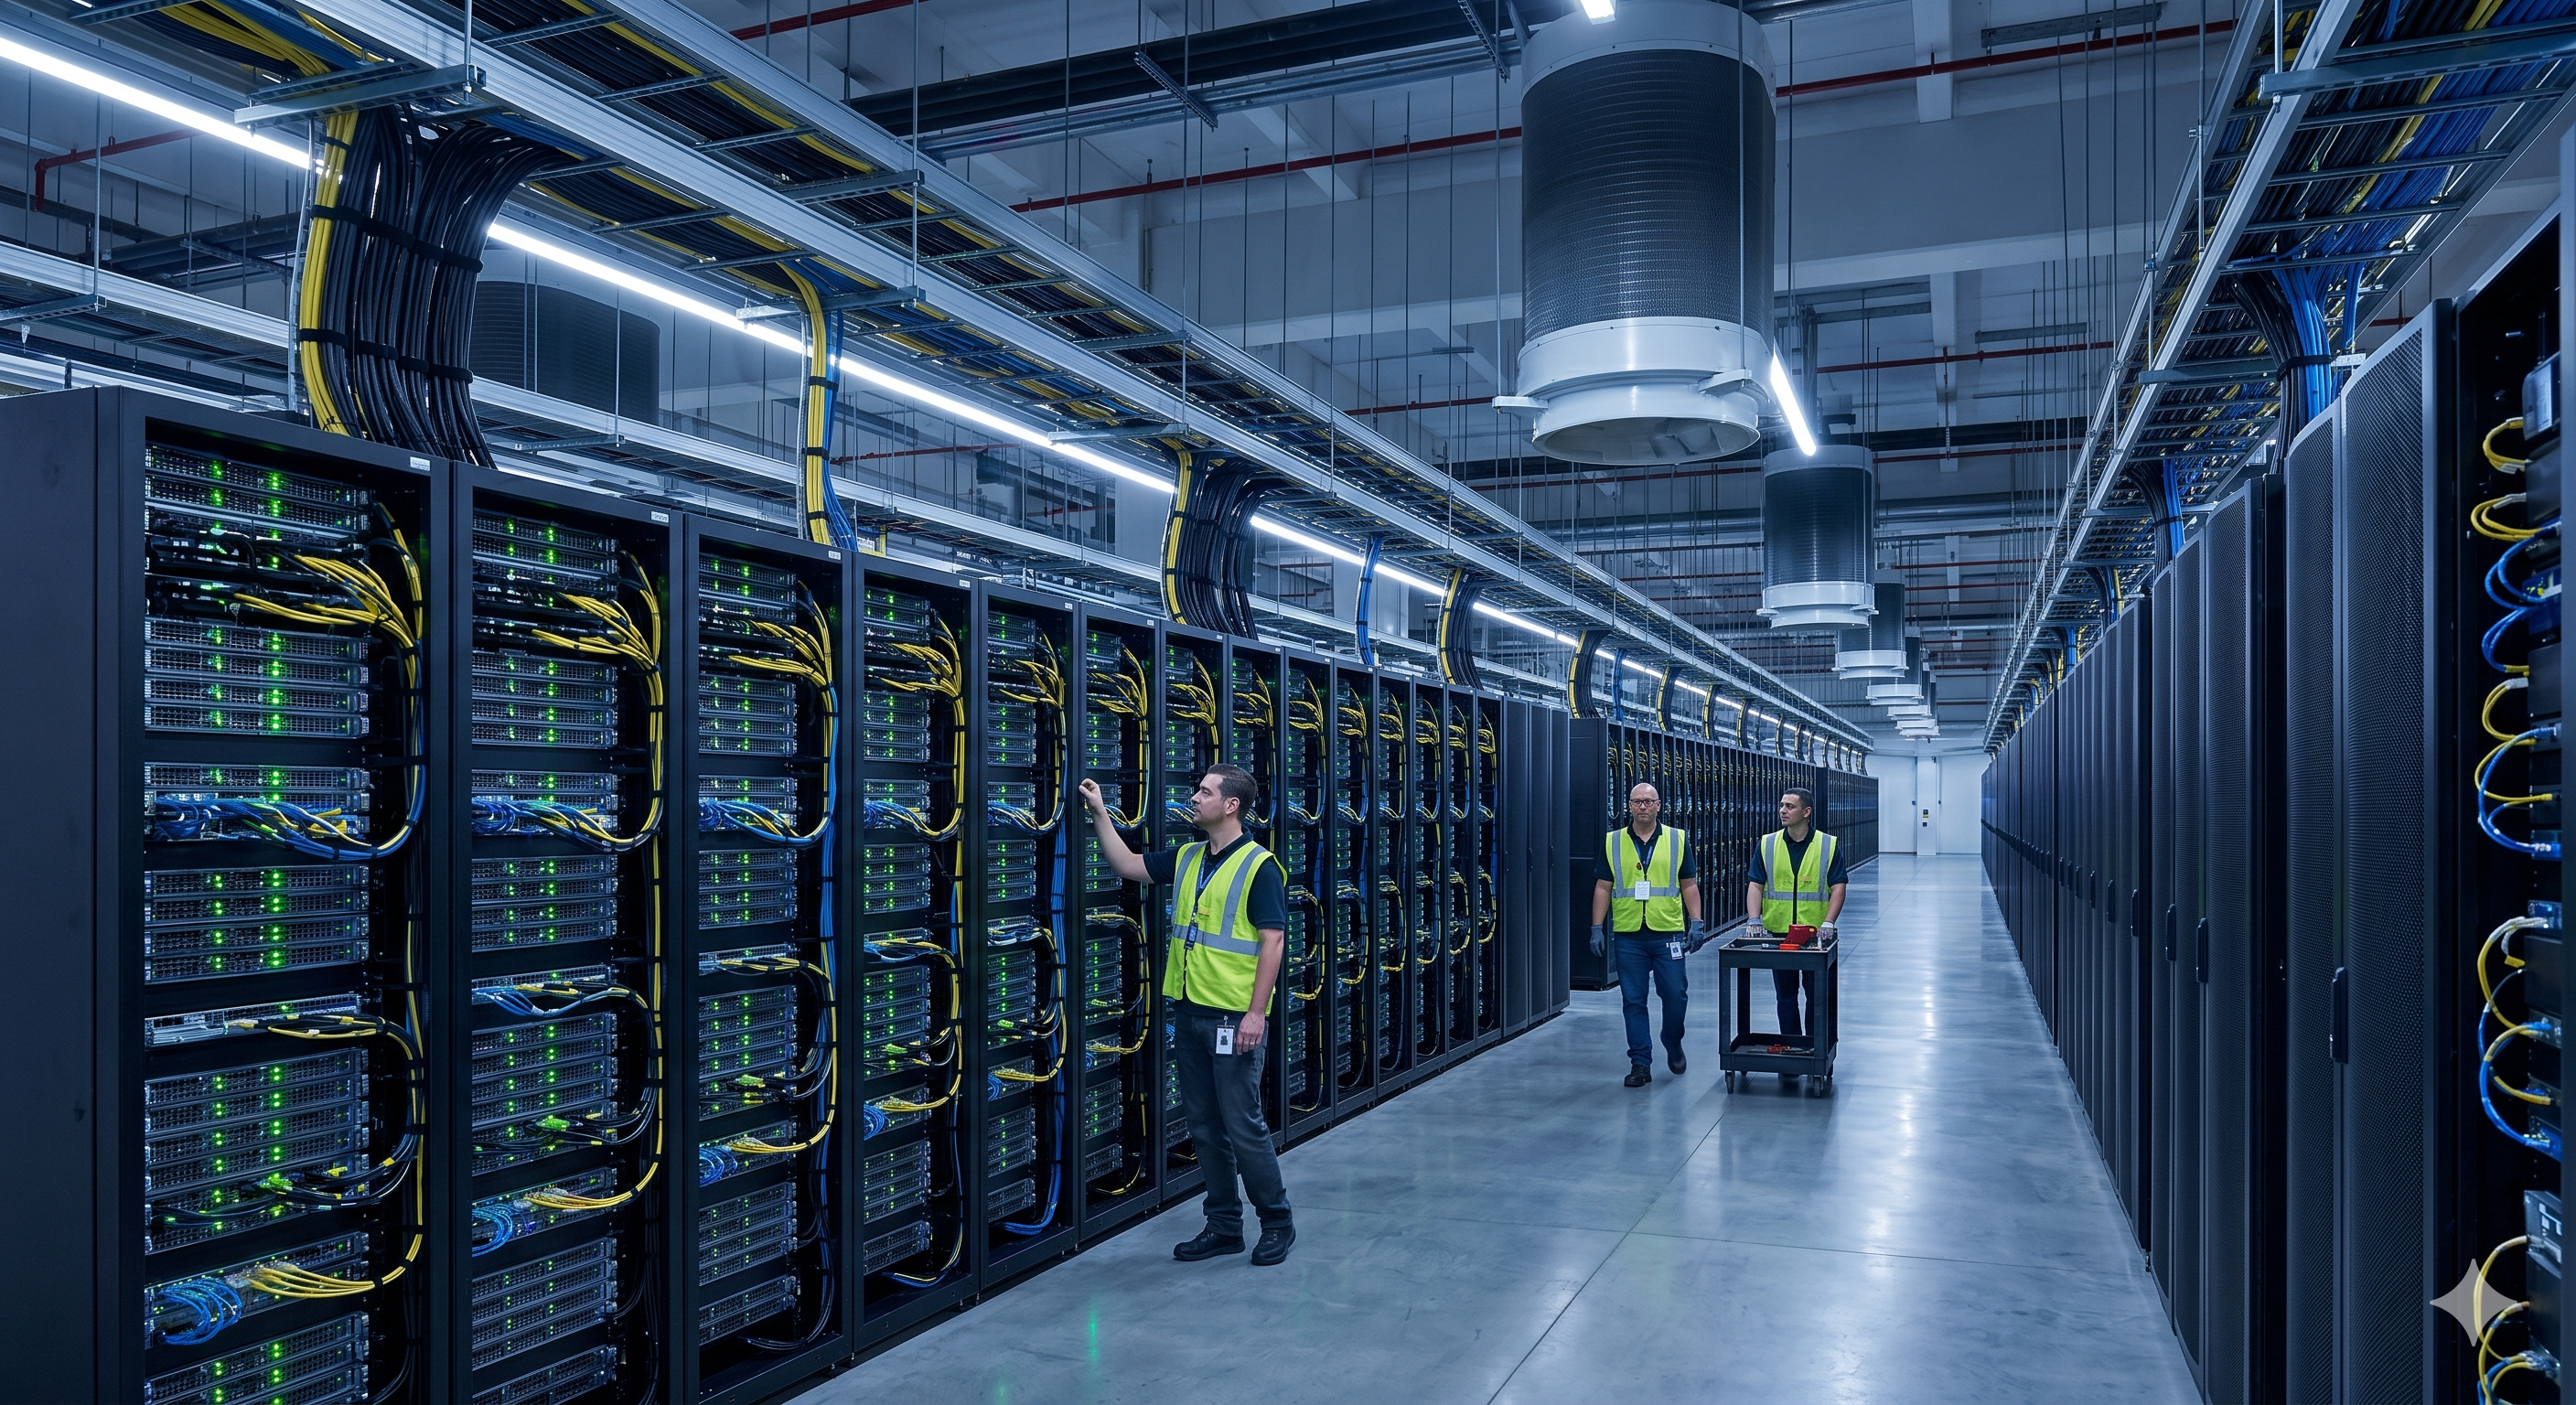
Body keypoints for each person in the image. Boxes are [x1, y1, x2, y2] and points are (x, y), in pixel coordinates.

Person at [1079, 763, 1295, 1266]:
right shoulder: (1188, 857)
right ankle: (1224, 1226)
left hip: (1232, 1018)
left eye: (1204, 792)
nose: (1194, 798)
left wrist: (1256, 1014)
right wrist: (1100, 814)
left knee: (1242, 1124)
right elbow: (1128, 866)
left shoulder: (1259, 867)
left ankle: (1277, 1222)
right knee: (1202, 1124)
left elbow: (1273, 941)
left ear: (1231, 805)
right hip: (1191, 1011)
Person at [1589, 781, 1706, 1088]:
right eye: (1637, 801)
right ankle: (1640, 1062)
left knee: (1675, 994)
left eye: (1649, 801)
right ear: (1629, 805)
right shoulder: (1613, 842)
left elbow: (1688, 884)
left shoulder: (1677, 839)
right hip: (1629, 935)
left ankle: (1672, 1037)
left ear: (1658, 806)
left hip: (1667, 932)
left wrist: (1696, 922)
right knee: (1633, 1000)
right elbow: (1603, 886)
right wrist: (1596, 928)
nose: (1643, 806)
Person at [1745, 787, 1848, 1051]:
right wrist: (1754, 920)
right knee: (1786, 997)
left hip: (1816, 937)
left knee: (1817, 997)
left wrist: (1829, 922)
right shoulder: (1768, 843)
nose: (1782, 810)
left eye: (1789, 806)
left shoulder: (1827, 845)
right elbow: (1756, 884)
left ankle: (1814, 1047)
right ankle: (1791, 1046)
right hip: (1780, 934)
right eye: (1782, 805)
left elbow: (1838, 886)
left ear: (1806, 811)